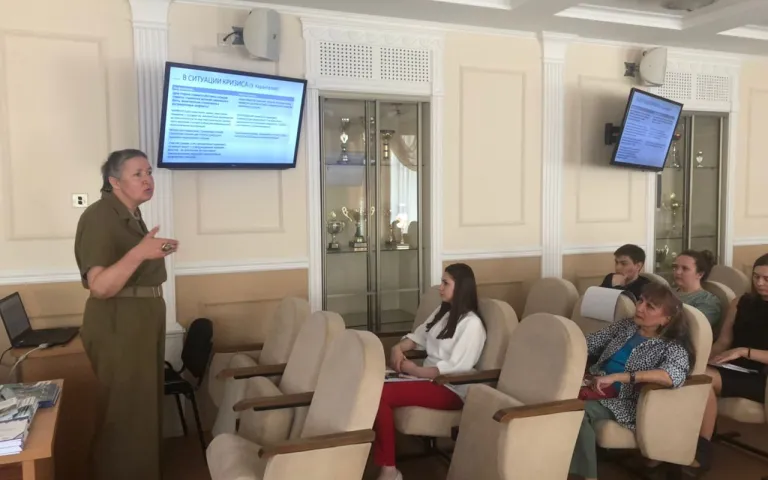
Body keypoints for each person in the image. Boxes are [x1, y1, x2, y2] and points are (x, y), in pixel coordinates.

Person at [74, 149, 179, 480]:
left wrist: (148, 252)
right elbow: (100, 286)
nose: (148, 180)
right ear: (115, 182)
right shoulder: (100, 216)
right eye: (138, 174)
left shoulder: (130, 214)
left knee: (141, 408)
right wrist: (140, 253)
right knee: (124, 411)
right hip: (119, 322)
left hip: (140, 319)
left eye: (149, 173)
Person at [569, 283, 695, 480]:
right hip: (595, 383)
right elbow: (589, 342)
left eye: (650, 307)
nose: (640, 308)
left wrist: (620, 377)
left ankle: (584, 476)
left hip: (626, 400)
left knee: (576, 412)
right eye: (641, 301)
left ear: (666, 319)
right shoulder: (627, 326)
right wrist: (564, 344)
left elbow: (671, 376)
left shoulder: (672, 347)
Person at [375, 263, 486, 480]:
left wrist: (415, 370)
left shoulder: (472, 325)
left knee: (380, 395)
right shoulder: (443, 311)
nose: (440, 288)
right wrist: (398, 348)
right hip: (426, 379)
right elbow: (418, 337)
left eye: (446, 283)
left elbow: (454, 369)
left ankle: (389, 469)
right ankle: (383, 463)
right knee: (370, 386)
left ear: (461, 287)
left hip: (450, 387)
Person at [689, 253, 768, 475]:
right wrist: (703, 358)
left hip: (761, 375)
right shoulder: (741, 302)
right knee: (694, 371)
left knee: (703, 379)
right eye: (756, 277)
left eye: (766, 279)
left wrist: (744, 351)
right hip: (732, 364)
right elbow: (724, 341)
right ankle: (692, 442)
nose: (760, 283)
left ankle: (701, 449)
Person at [672, 250, 722, 326]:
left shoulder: (707, 301)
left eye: (685, 268)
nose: (677, 272)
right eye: (675, 267)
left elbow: (693, 327)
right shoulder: (667, 292)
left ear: (700, 274)